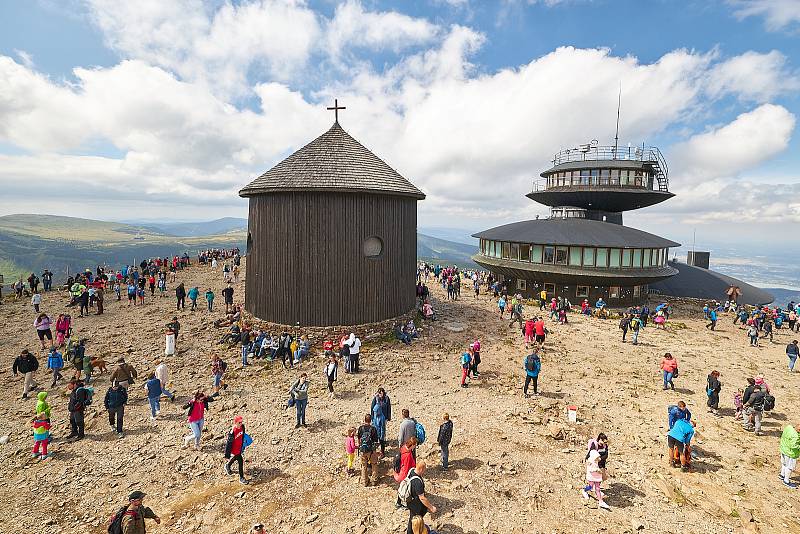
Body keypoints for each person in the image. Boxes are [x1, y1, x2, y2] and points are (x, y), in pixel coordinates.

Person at [402, 462, 436, 534]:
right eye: (424, 470)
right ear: (421, 469)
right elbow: (422, 498)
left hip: (410, 501)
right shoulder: (418, 482)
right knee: (415, 520)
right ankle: (415, 531)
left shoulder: (412, 470)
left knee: (413, 519)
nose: (424, 472)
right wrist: (431, 507)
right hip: (416, 505)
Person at [224, 415, 251, 485]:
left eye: (241, 422)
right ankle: (241, 478)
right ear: (235, 423)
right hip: (235, 449)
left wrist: (243, 445)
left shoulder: (242, 427)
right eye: (239, 422)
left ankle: (228, 465)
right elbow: (228, 444)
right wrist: (227, 455)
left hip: (240, 448)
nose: (241, 423)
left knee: (236, 458)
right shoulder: (232, 432)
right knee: (240, 461)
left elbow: (242, 436)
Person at [357, 413, 380, 487]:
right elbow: (376, 441)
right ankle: (374, 480)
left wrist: (360, 447)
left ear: (364, 420)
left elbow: (359, 439)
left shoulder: (361, 428)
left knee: (364, 466)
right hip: (371, 450)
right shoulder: (373, 429)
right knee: (374, 464)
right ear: (371, 420)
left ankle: (364, 481)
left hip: (363, 449)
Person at [370, 388, 392, 456]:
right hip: (376, 418)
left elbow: (389, 408)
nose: (381, 394)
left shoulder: (386, 399)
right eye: (380, 393)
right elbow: (372, 408)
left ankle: (382, 440)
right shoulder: (375, 399)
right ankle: (378, 440)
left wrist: (388, 417)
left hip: (384, 417)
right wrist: (372, 417)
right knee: (376, 430)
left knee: (383, 429)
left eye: (382, 393)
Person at [779, 424, 800, 488]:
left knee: (784, 464)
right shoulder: (795, 436)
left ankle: (782, 475)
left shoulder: (788, 427)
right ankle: (786, 481)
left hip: (783, 449)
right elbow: (794, 446)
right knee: (790, 467)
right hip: (791, 453)